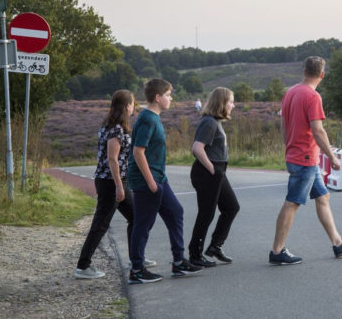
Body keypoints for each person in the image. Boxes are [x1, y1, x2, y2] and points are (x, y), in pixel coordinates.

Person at [269, 56, 342, 265]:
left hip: (296, 153)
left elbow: (283, 124)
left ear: (303, 71)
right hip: (306, 158)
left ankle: (338, 243)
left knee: (323, 197)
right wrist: (332, 156)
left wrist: (289, 145)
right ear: (322, 74)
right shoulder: (313, 96)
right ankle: (277, 251)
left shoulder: (290, 92)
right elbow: (318, 130)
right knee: (292, 203)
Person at [74, 90, 156, 279]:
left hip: (116, 180)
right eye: (133, 103)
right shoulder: (116, 129)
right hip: (111, 182)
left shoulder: (111, 125)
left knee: (136, 218)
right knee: (101, 224)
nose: (134, 107)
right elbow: (112, 159)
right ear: (127, 106)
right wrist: (119, 186)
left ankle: (136, 259)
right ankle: (83, 266)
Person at [127, 79, 201, 284]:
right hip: (147, 181)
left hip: (160, 177)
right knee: (143, 224)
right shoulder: (148, 119)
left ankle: (178, 263)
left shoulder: (153, 117)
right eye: (168, 95)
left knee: (175, 212)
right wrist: (150, 182)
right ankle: (137, 270)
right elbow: (138, 152)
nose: (171, 98)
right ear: (158, 98)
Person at [188, 87, 240, 267]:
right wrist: (212, 169)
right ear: (221, 103)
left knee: (231, 207)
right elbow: (197, 148)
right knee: (206, 213)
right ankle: (195, 254)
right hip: (208, 172)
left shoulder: (215, 122)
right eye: (231, 101)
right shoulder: (209, 122)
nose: (233, 105)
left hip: (217, 172)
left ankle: (215, 247)